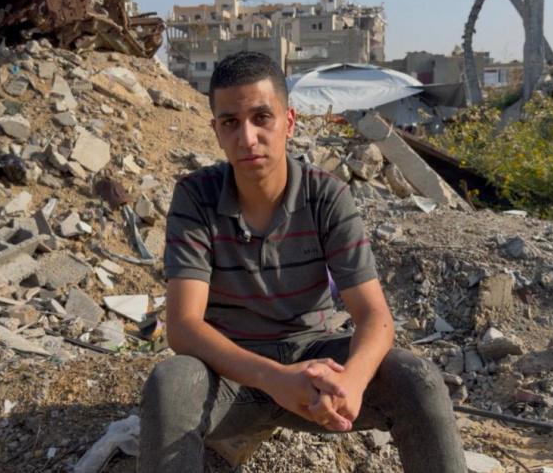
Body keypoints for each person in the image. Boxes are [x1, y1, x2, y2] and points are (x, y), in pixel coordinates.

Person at [139, 52, 467, 473]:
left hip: (316, 367)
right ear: (216, 132)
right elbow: (184, 326)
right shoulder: (196, 197)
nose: (248, 138)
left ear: (289, 122)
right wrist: (274, 378)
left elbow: (375, 317)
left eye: (262, 118)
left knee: (417, 379)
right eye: (230, 122)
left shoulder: (325, 196)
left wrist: (351, 381)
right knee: (171, 384)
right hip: (232, 375)